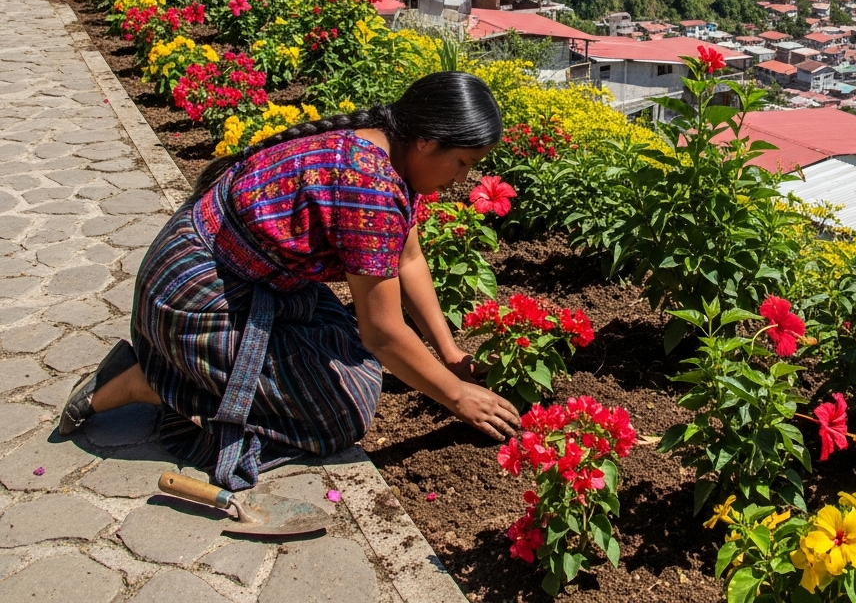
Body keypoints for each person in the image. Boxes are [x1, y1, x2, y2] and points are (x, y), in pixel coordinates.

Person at [59, 72, 520, 490]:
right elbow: (382, 333)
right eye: (462, 162)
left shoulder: (383, 148)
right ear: (426, 142)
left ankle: (184, 371)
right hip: (197, 299)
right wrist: (456, 396)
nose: (464, 178)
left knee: (348, 350)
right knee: (343, 413)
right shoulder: (369, 186)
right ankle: (152, 382)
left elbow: (409, 259)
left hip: (238, 277)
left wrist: (451, 354)